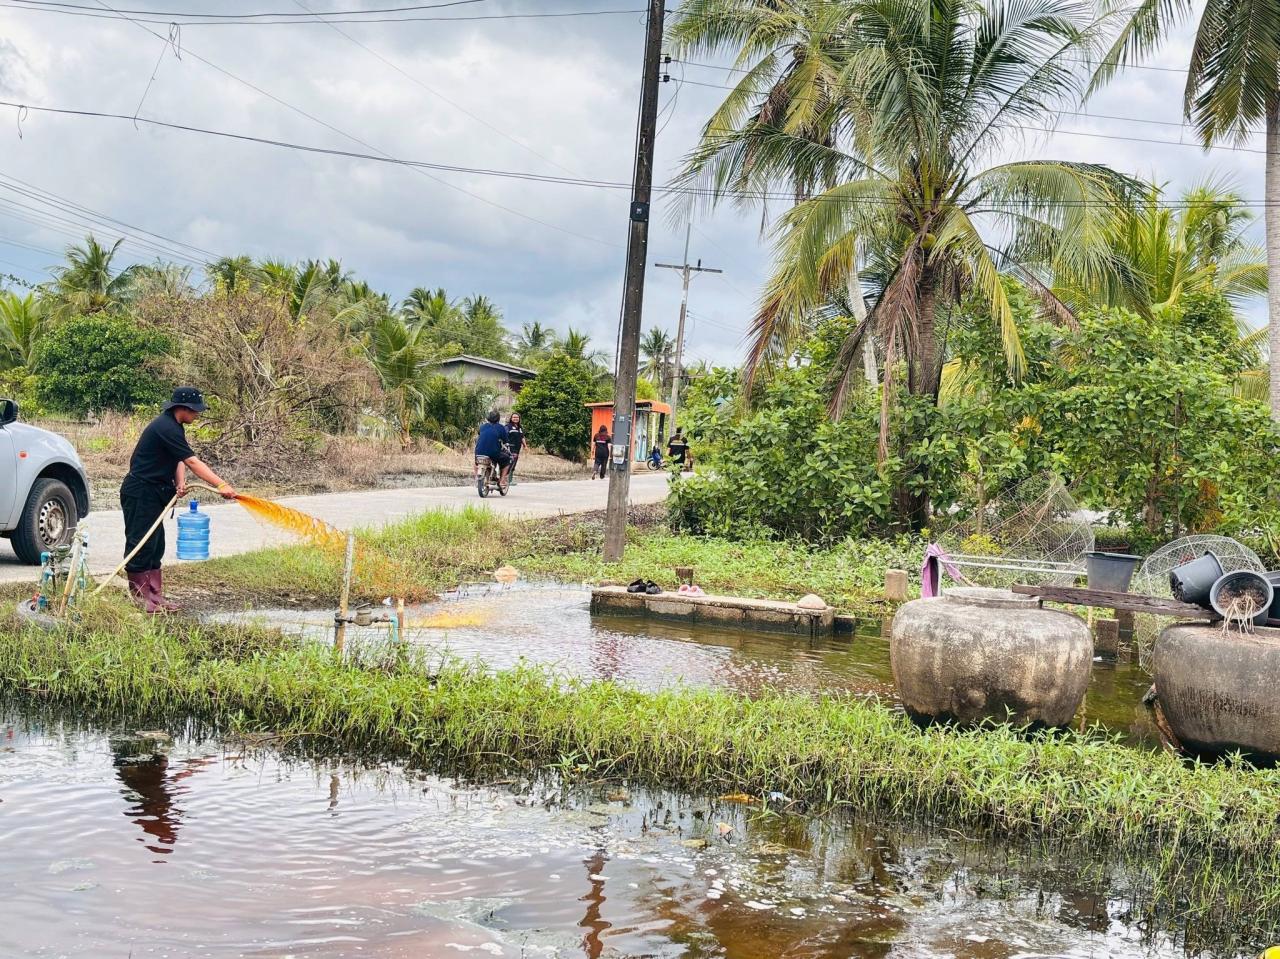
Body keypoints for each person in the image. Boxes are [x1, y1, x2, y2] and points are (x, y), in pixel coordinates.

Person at [120, 386, 237, 614]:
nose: (198, 414)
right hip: (141, 492)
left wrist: (180, 481)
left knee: (156, 545)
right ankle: (140, 597)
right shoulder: (165, 427)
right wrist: (221, 484)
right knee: (141, 543)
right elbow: (192, 461)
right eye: (195, 410)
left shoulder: (175, 426)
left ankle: (155, 594)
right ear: (182, 408)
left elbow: (179, 459)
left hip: (155, 492)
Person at [475, 409, 511, 481]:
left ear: (488, 418)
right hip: (493, 452)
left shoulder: (482, 426)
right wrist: (507, 445)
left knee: (476, 462)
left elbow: (480, 434)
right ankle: (502, 480)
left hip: (478, 452)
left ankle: (477, 476)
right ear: (498, 418)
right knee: (507, 459)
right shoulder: (501, 427)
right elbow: (505, 441)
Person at [505, 412, 525, 483]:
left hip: (517, 448)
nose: (515, 418)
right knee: (509, 463)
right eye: (514, 417)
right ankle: (505, 479)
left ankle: (510, 480)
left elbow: (522, 437)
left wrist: (525, 446)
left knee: (514, 463)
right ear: (511, 418)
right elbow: (505, 436)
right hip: (509, 448)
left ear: (519, 419)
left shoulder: (520, 427)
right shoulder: (508, 426)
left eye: (517, 417)